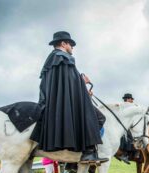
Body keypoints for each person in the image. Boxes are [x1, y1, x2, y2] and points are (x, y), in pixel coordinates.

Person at [30, 31, 108, 164]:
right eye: (71, 44)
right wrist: (83, 86)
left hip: (57, 102)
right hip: (69, 102)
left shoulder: (51, 60)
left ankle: (75, 160)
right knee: (100, 117)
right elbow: (72, 84)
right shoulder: (64, 58)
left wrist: (83, 90)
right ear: (63, 43)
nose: (72, 47)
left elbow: (66, 85)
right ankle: (88, 153)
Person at [117, 93, 139, 164]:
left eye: (132, 99)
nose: (132, 100)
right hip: (124, 126)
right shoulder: (123, 106)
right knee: (129, 137)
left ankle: (136, 152)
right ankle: (125, 154)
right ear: (128, 99)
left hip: (130, 125)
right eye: (131, 99)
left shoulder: (131, 106)